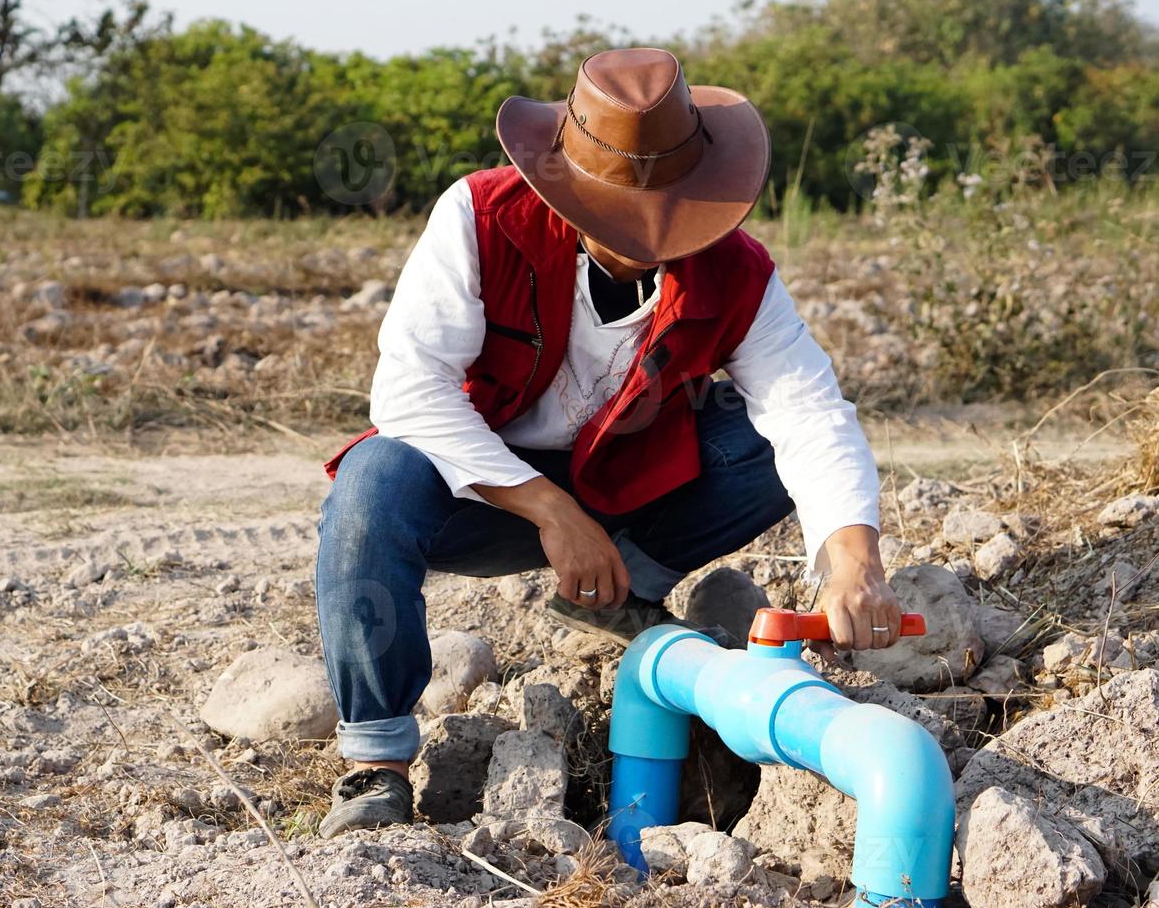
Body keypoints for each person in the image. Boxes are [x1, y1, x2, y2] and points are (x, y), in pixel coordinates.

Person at [312, 47, 905, 837]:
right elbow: (408, 393)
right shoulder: (478, 217)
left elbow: (811, 411)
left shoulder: (740, 274)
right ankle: (376, 765)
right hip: (479, 489)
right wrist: (552, 513)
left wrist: (855, 560)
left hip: (626, 481)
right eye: (619, 213)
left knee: (766, 443)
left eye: (667, 215)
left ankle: (612, 599)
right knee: (372, 479)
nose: (645, 237)